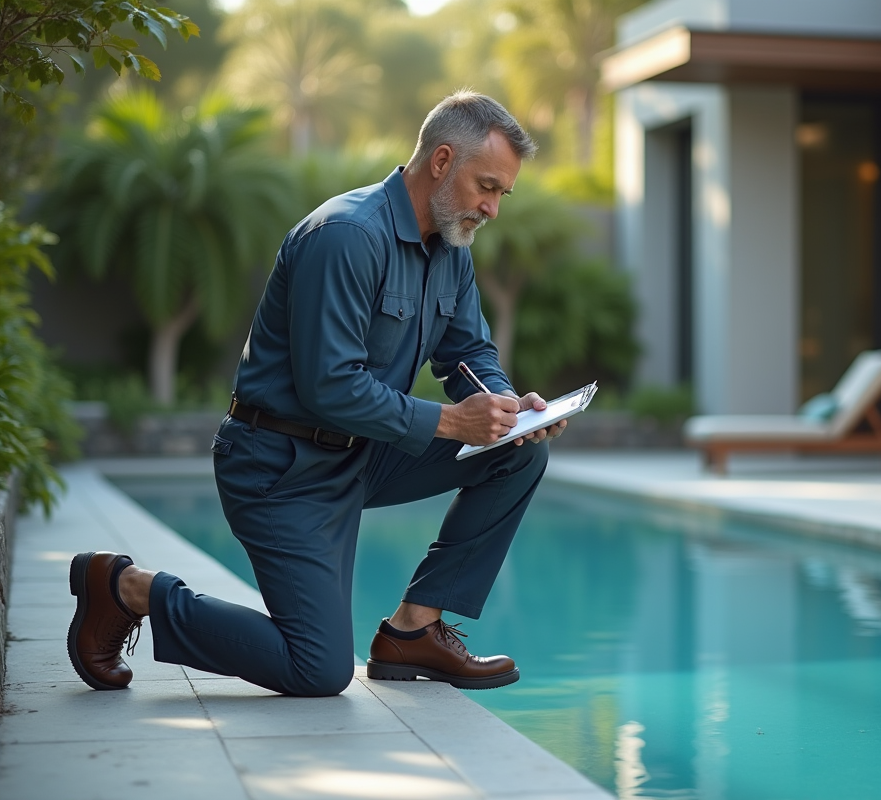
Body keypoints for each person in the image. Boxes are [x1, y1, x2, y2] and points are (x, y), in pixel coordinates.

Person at [67, 91, 565, 696]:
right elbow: (330, 387)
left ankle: (414, 632)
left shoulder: (451, 249)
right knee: (318, 669)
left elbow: (467, 354)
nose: (492, 208)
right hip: (280, 464)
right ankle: (127, 589)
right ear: (441, 160)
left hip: (363, 452)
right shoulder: (347, 236)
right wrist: (455, 423)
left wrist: (508, 412)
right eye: (487, 187)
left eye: (502, 195)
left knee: (518, 454)